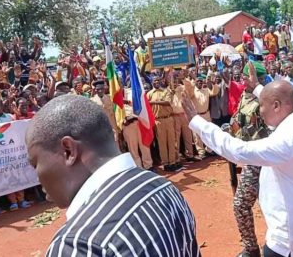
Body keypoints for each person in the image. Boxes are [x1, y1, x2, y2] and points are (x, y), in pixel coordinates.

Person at [183, 62, 293, 257]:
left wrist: (197, 122)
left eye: (262, 106)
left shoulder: (289, 140)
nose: (259, 111)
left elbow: (237, 150)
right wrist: (258, 88)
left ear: (276, 106)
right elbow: (278, 101)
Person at [25, 95, 200, 256]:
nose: (37, 176)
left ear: (68, 151)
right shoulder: (164, 188)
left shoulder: (77, 246)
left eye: (35, 163)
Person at [231, 62, 269, 257]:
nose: (242, 79)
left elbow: (258, 132)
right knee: (241, 204)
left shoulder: (265, 101)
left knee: (276, 206)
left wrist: (236, 135)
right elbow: (238, 118)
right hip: (251, 159)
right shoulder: (245, 96)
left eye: (245, 76)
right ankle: (251, 248)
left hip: (263, 161)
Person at [147, 75, 177, 171]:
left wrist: (154, 102)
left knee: (171, 141)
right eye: (154, 81)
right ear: (152, 82)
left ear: (160, 81)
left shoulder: (166, 91)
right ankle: (165, 163)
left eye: (158, 80)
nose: (156, 82)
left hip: (168, 118)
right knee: (162, 143)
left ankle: (172, 162)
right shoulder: (149, 94)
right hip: (158, 120)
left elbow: (168, 102)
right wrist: (154, 102)